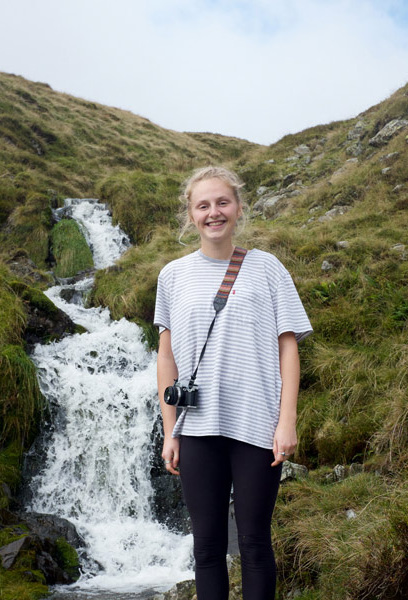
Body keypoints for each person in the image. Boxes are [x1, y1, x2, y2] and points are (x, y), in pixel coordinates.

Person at [154, 166, 312, 600]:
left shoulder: (268, 269)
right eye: (202, 205)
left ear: (238, 208)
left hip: (258, 427)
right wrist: (171, 431)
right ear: (190, 215)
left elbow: (288, 348)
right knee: (206, 548)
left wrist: (287, 421)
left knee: (255, 544)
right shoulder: (172, 276)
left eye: (222, 202)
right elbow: (166, 357)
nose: (213, 213)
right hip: (197, 430)